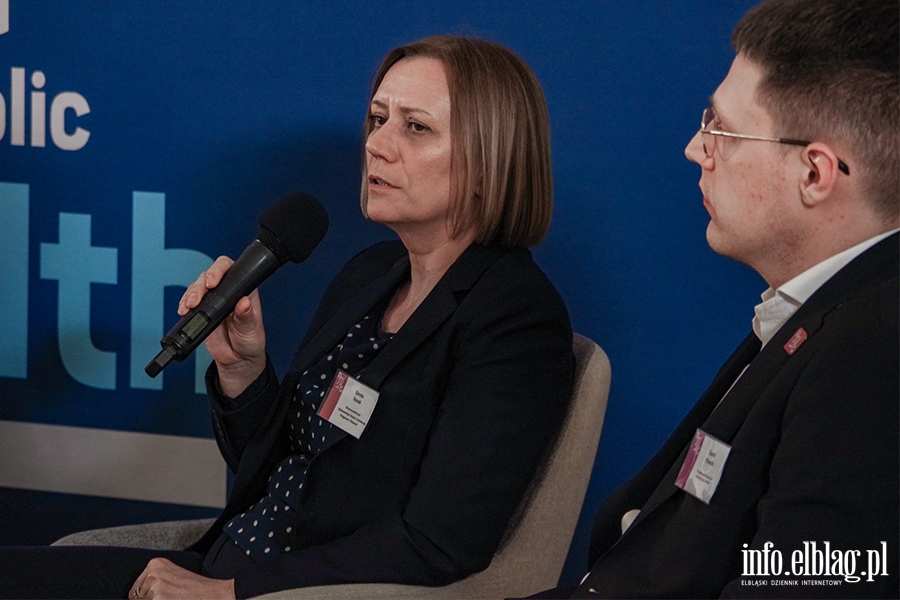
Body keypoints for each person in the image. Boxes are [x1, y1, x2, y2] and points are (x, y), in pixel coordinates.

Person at [0, 36, 574, 600]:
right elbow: (275, 468)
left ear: (490, 155)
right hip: (225, 560)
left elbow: (439, 541)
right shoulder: (372, 273)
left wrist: (229, 591)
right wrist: (243, 370)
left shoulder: (515, 318)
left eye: (415, 126)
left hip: (284, 590)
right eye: (377, 118)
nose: (378, 144)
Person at [531, 0, 899, 598]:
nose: (694, 149)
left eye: (720, 129)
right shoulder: (823, 314)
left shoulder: (874, 355)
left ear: (815, 174)